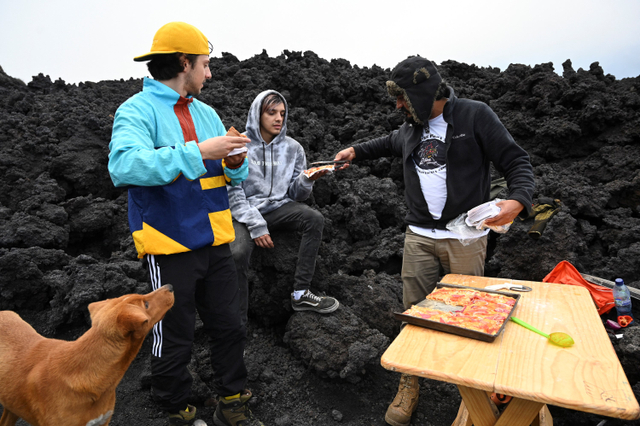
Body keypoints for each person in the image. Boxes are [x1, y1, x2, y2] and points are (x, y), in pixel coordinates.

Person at [334, 56, 535, 426]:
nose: (397, 105)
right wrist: (355, 151)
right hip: (419, 238)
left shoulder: (476, 116)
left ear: (425, 95)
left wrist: (518, 200)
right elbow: (389, 141)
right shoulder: (412, 125)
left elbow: (516, 160)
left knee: (470, 316)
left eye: (403, 98)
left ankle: (473, 393)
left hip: (466, 238)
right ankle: (411, 381)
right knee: (414, 314)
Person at [107, 21, 263, 426]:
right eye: (205, 65)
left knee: (230, 325)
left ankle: (233, 401)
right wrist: (197, 152)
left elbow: (229, 177)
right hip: (169, 244)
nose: (209, 74)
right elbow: (123, 166)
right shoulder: (136, 111)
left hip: (215, 241)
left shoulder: (206, 113)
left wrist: (232, 164)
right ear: (183, 62)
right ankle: (176, 407)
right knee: (173, 335)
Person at [228, 90, 339, 324]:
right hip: (243, 214)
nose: (278, 118)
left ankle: (301, 294)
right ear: (257, 114)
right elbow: (233, 192)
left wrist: (308, 179)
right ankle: (236, 320)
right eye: (271, 113)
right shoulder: (239, 145)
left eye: (282, 113)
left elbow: (294, 194)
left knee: (314, 218)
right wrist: (256, 226)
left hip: (277, 209)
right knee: (237, 251)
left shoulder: (294, 149)